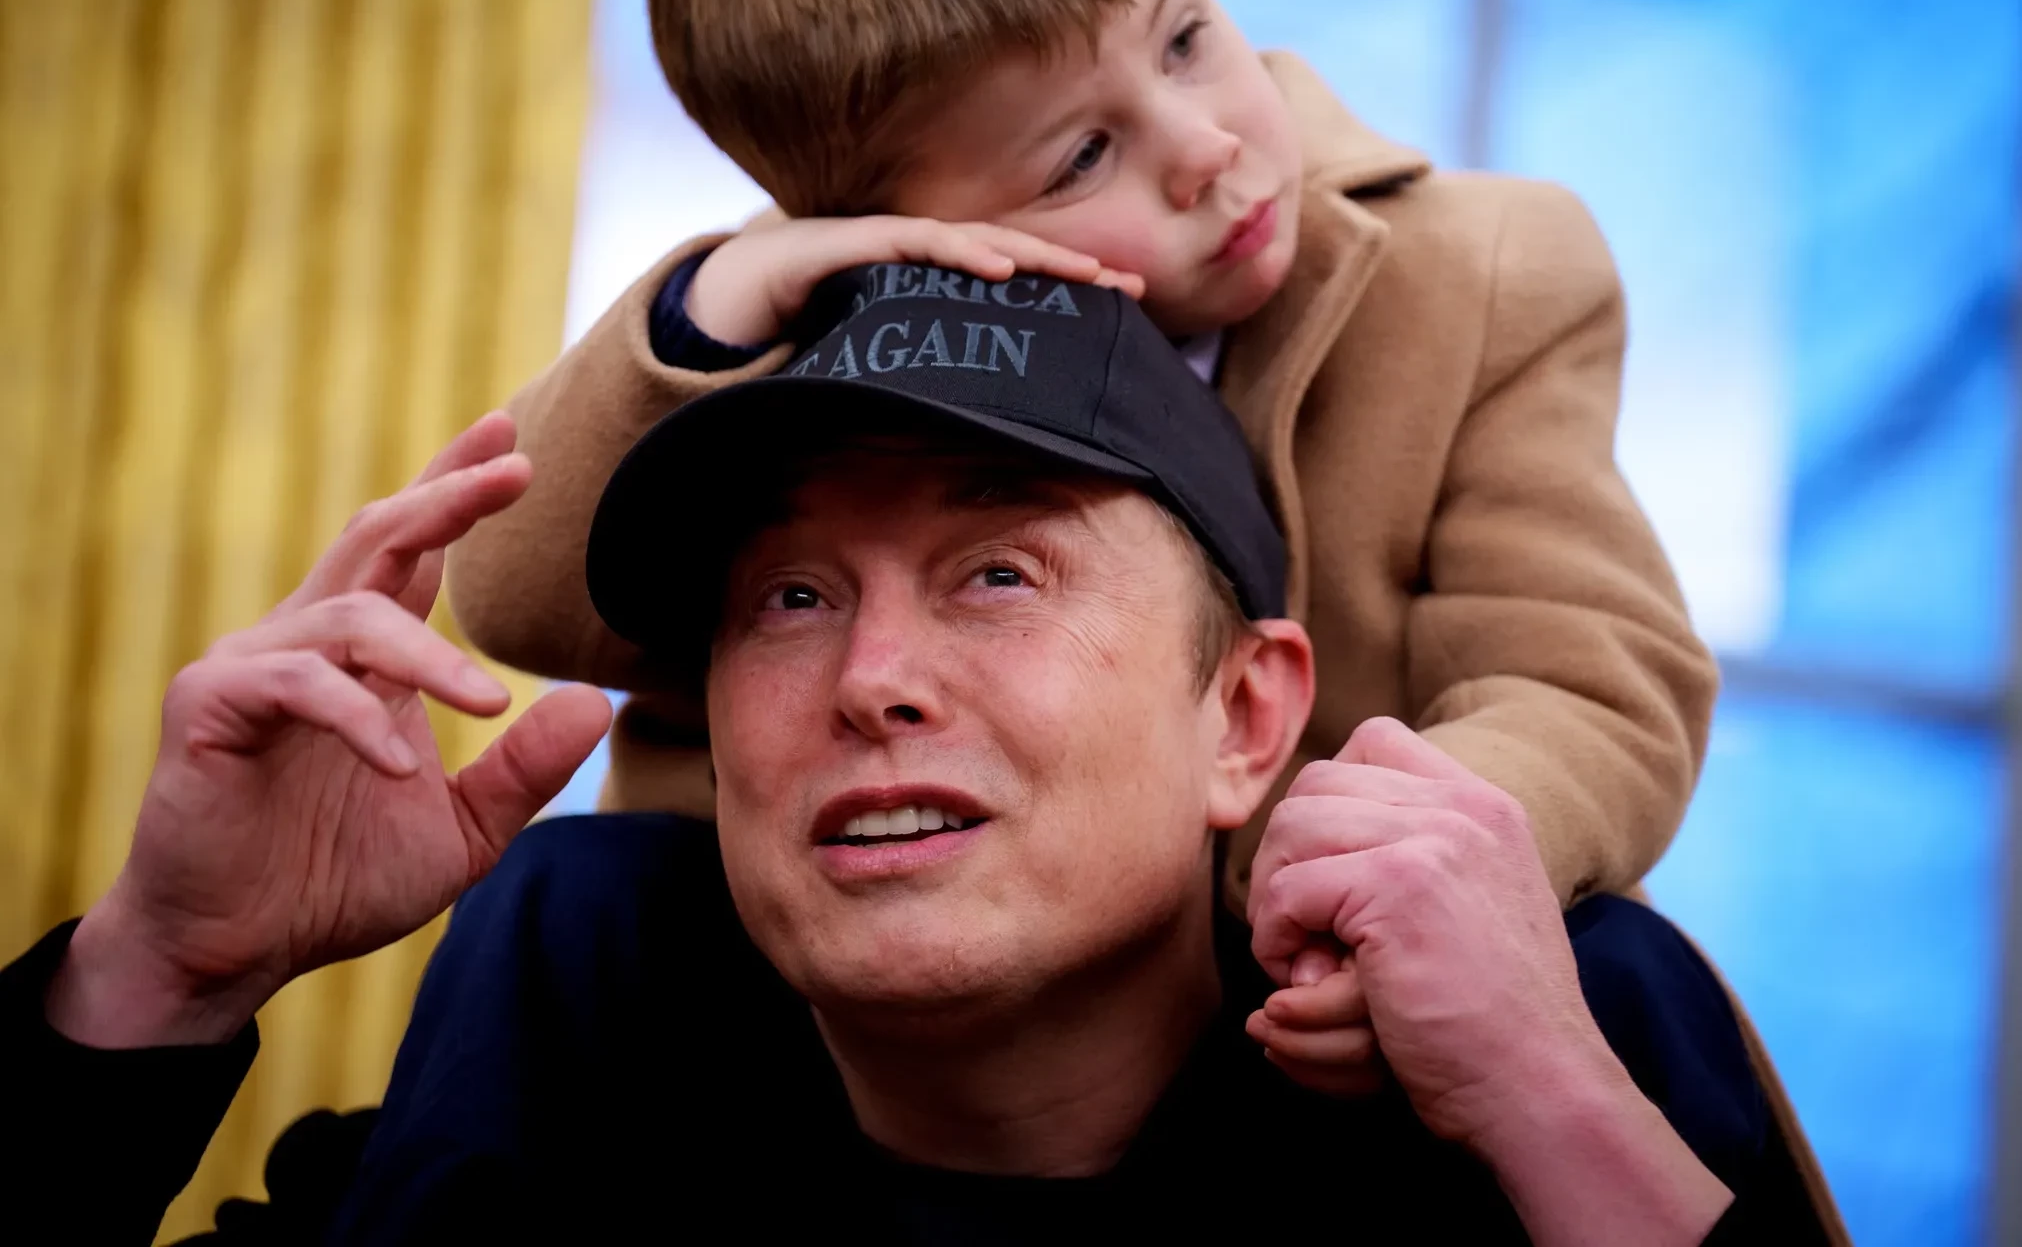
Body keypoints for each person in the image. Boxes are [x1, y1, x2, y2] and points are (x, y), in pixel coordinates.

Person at [5, 272, 1827, 1243]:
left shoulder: (1533, 1030)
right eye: (790, 597)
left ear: (1246, 717)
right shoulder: (578, 1019)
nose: (871, 679)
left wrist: (1550, 1105)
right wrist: (163, 970)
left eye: (1000, 573)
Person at [445, 0, 1720, 1094]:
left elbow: (1585, 680)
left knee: (1610, 975)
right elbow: (516, 597)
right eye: (1081, 158)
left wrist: (1388, 870)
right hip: (843, 975)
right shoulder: (811, 305)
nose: (1204, 144)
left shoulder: (1482, 272)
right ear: (905, 224)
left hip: (1283, 964)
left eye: (1186, 38)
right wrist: (718, 303)